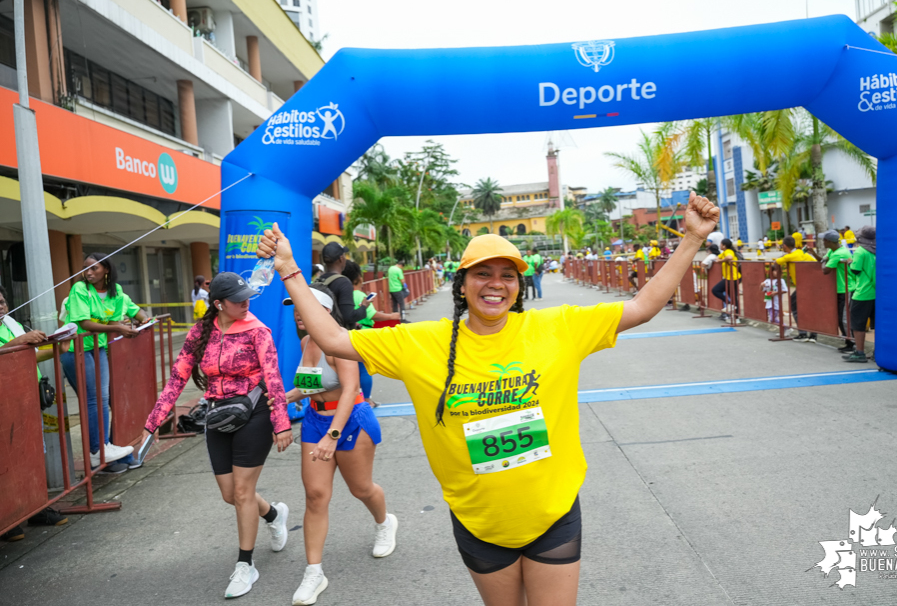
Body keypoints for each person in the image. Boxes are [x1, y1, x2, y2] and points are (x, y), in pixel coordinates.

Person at [257, 191, 721, 606]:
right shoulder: (421, 342)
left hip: (551, 514)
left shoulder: (555, 327)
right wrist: (290, 271)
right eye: (483, 273)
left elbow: (641, 307)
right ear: (462, 283)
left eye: (507, 275)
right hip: (479, 522)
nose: (495, 283)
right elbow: (335, 339)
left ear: (519, 286)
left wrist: (692, 240)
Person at [141, 272, 292, 599]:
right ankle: (275, 515)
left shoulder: (258, 330)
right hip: (219, 415)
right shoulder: (200, 332)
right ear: (219, 304)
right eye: (238, 299)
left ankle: (245, 565)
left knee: (241, 492)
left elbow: (274, 377)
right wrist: (154, 419)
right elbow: (177, 378)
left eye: (247, 296)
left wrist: (281, 423)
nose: (246, 302)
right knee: (232, 495)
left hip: (256, 413)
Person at [283, 285, 397, 606]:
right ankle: (314, 571)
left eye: (304, 305)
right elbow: (309, 387)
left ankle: (384, 522)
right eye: (295, 306)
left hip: (351, 421)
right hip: (315, 422)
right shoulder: (305, 343)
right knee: (315, 496)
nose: (297, 311)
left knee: (360, 489)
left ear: (325, 311)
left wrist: (332, 436)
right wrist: (279, 399)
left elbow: (350, 389)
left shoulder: (340, 341)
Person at [62, 253, 149, 468]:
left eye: (93, 268)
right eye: (85, 268)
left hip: (98, 347)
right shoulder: (79, 289)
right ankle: (96, 449)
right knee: (93, 399)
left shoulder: (116, 292)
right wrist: (118, 327)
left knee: (103, 397)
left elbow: (129, 315)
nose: (87, 273)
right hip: (76, 349)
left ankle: (105, 446)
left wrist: (137, 324)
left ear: (106, 269)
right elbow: (85, 323)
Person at [0, 285, 67, 541]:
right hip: (5, 401)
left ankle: (36, 508)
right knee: (8, 459)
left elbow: (31, 355)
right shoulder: (13, 332)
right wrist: (19, 342)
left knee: (32, 453)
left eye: (3, 301)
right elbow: (11, 350)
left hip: (26, 397)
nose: (1, 306)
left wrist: (56, 348)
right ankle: (8, 519)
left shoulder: (11, 323)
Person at [344, 260, 400, 406]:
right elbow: (372, 315)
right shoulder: (358, 294)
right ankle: (367, 399)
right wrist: (392, 316)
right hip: (362, 334)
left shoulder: (343, 294)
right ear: (358, 278)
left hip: (345, 333)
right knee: (363, 368)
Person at [314, 243, 370, 330]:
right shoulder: (344, 282)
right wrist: (364, 306)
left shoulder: (319, 280)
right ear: (341, 259)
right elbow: (348, 317)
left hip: (321, 332)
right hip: (338, 336)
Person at [843, 226, 876, 363]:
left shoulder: (860, 251)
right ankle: (877, 352)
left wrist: (849, 263)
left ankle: (860, 352)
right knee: (876, 325)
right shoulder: (878, 251)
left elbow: (855, 270)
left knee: (858, 325)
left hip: (862, 293)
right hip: (877, 293)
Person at [775, 237, 818, 342]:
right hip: (811, 284)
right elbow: (816, 262)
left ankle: (803, 332)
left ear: (785, 246)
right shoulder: (803, 254)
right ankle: (813, 334)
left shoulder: (791, 256)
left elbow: (777, 262)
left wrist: (784, 256)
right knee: (810, 308)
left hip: (802, 285)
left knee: (795, 305)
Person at [821, 230, 855, 353]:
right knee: (841, 317)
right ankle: (849, 341)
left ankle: (852, 343)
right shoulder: (834, 250)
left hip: (846, 289)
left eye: (824, 240)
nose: (822, 242)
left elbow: (825, 270)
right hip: (841, 288)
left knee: (844, 318)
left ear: (829, 241)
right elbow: (824, 260)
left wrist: (824, 260)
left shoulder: (838, 253)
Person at [714, 238, 741, 322]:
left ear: (724, 246)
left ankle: (729, 304)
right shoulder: (724, 252)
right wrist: (720, 260)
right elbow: (716, 259)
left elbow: (729, 257)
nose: (719, 245)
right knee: (733, 296)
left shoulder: (728, 251)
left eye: (721, 244)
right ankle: (736, 317)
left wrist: (721, 261)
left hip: (732, 278)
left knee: (715, 290)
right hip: (733, 277)